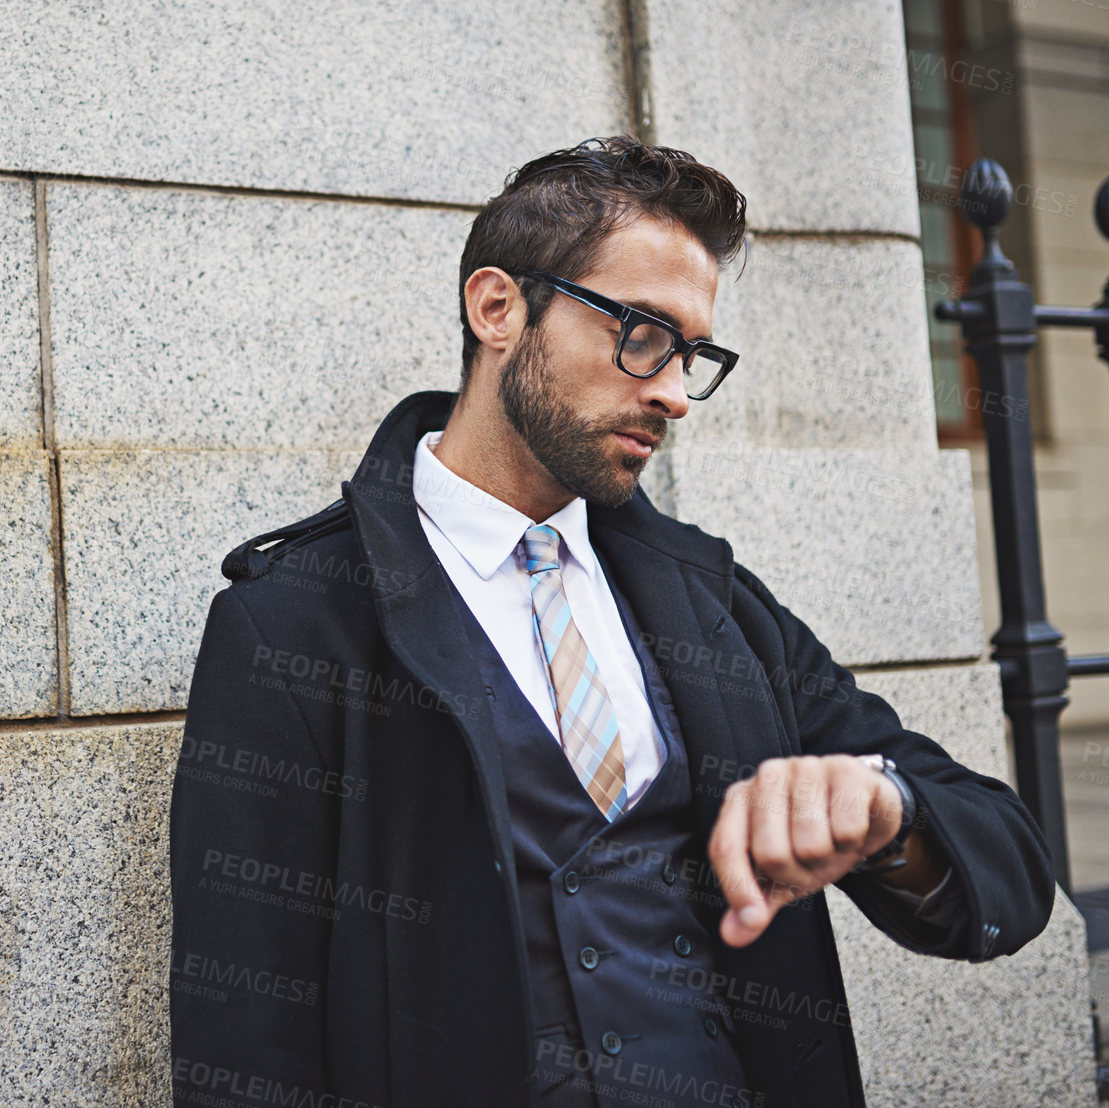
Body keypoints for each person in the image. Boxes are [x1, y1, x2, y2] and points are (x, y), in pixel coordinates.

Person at [168, 137, 1054, 1108]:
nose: (674, 391)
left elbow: (1005, 863)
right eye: (642, 333)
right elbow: (247, 1040)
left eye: (694, 354)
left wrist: (887, 814)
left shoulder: (707, 599)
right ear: (497, 308)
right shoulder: (293, 625)